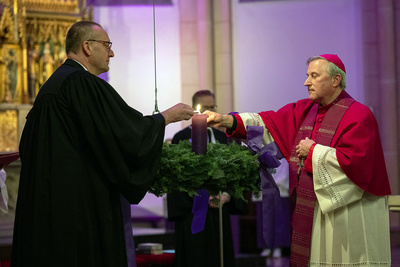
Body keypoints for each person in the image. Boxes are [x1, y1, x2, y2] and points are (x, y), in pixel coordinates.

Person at [11, 21, 194, 267]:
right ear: (87, 46)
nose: (112, 53)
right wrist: (165, 118)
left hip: (46, 206)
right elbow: (123, 134)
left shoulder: (52, 86)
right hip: (79, 210)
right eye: (107, 45)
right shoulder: (80, 83)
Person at [205, 54, 391, 266]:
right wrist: (226, 120)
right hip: (313, 213)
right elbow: (266, 123)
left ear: (335, 80)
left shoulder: (359, 114)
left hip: (346, 214)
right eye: (307, 76)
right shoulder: (304, 110)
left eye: (314, 76)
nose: (306, 82)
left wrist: (313, 151)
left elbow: (357, 165)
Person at [167, 90, 245, 267]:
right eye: (205, 107)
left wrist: (226, 195)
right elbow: (176, 177)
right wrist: (199, 198)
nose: (210, 112)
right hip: (193, 212)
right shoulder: (181, 138)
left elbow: (234, 174)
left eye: (213, 107)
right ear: (195, 110)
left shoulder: (223, 137)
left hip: (219, 211)